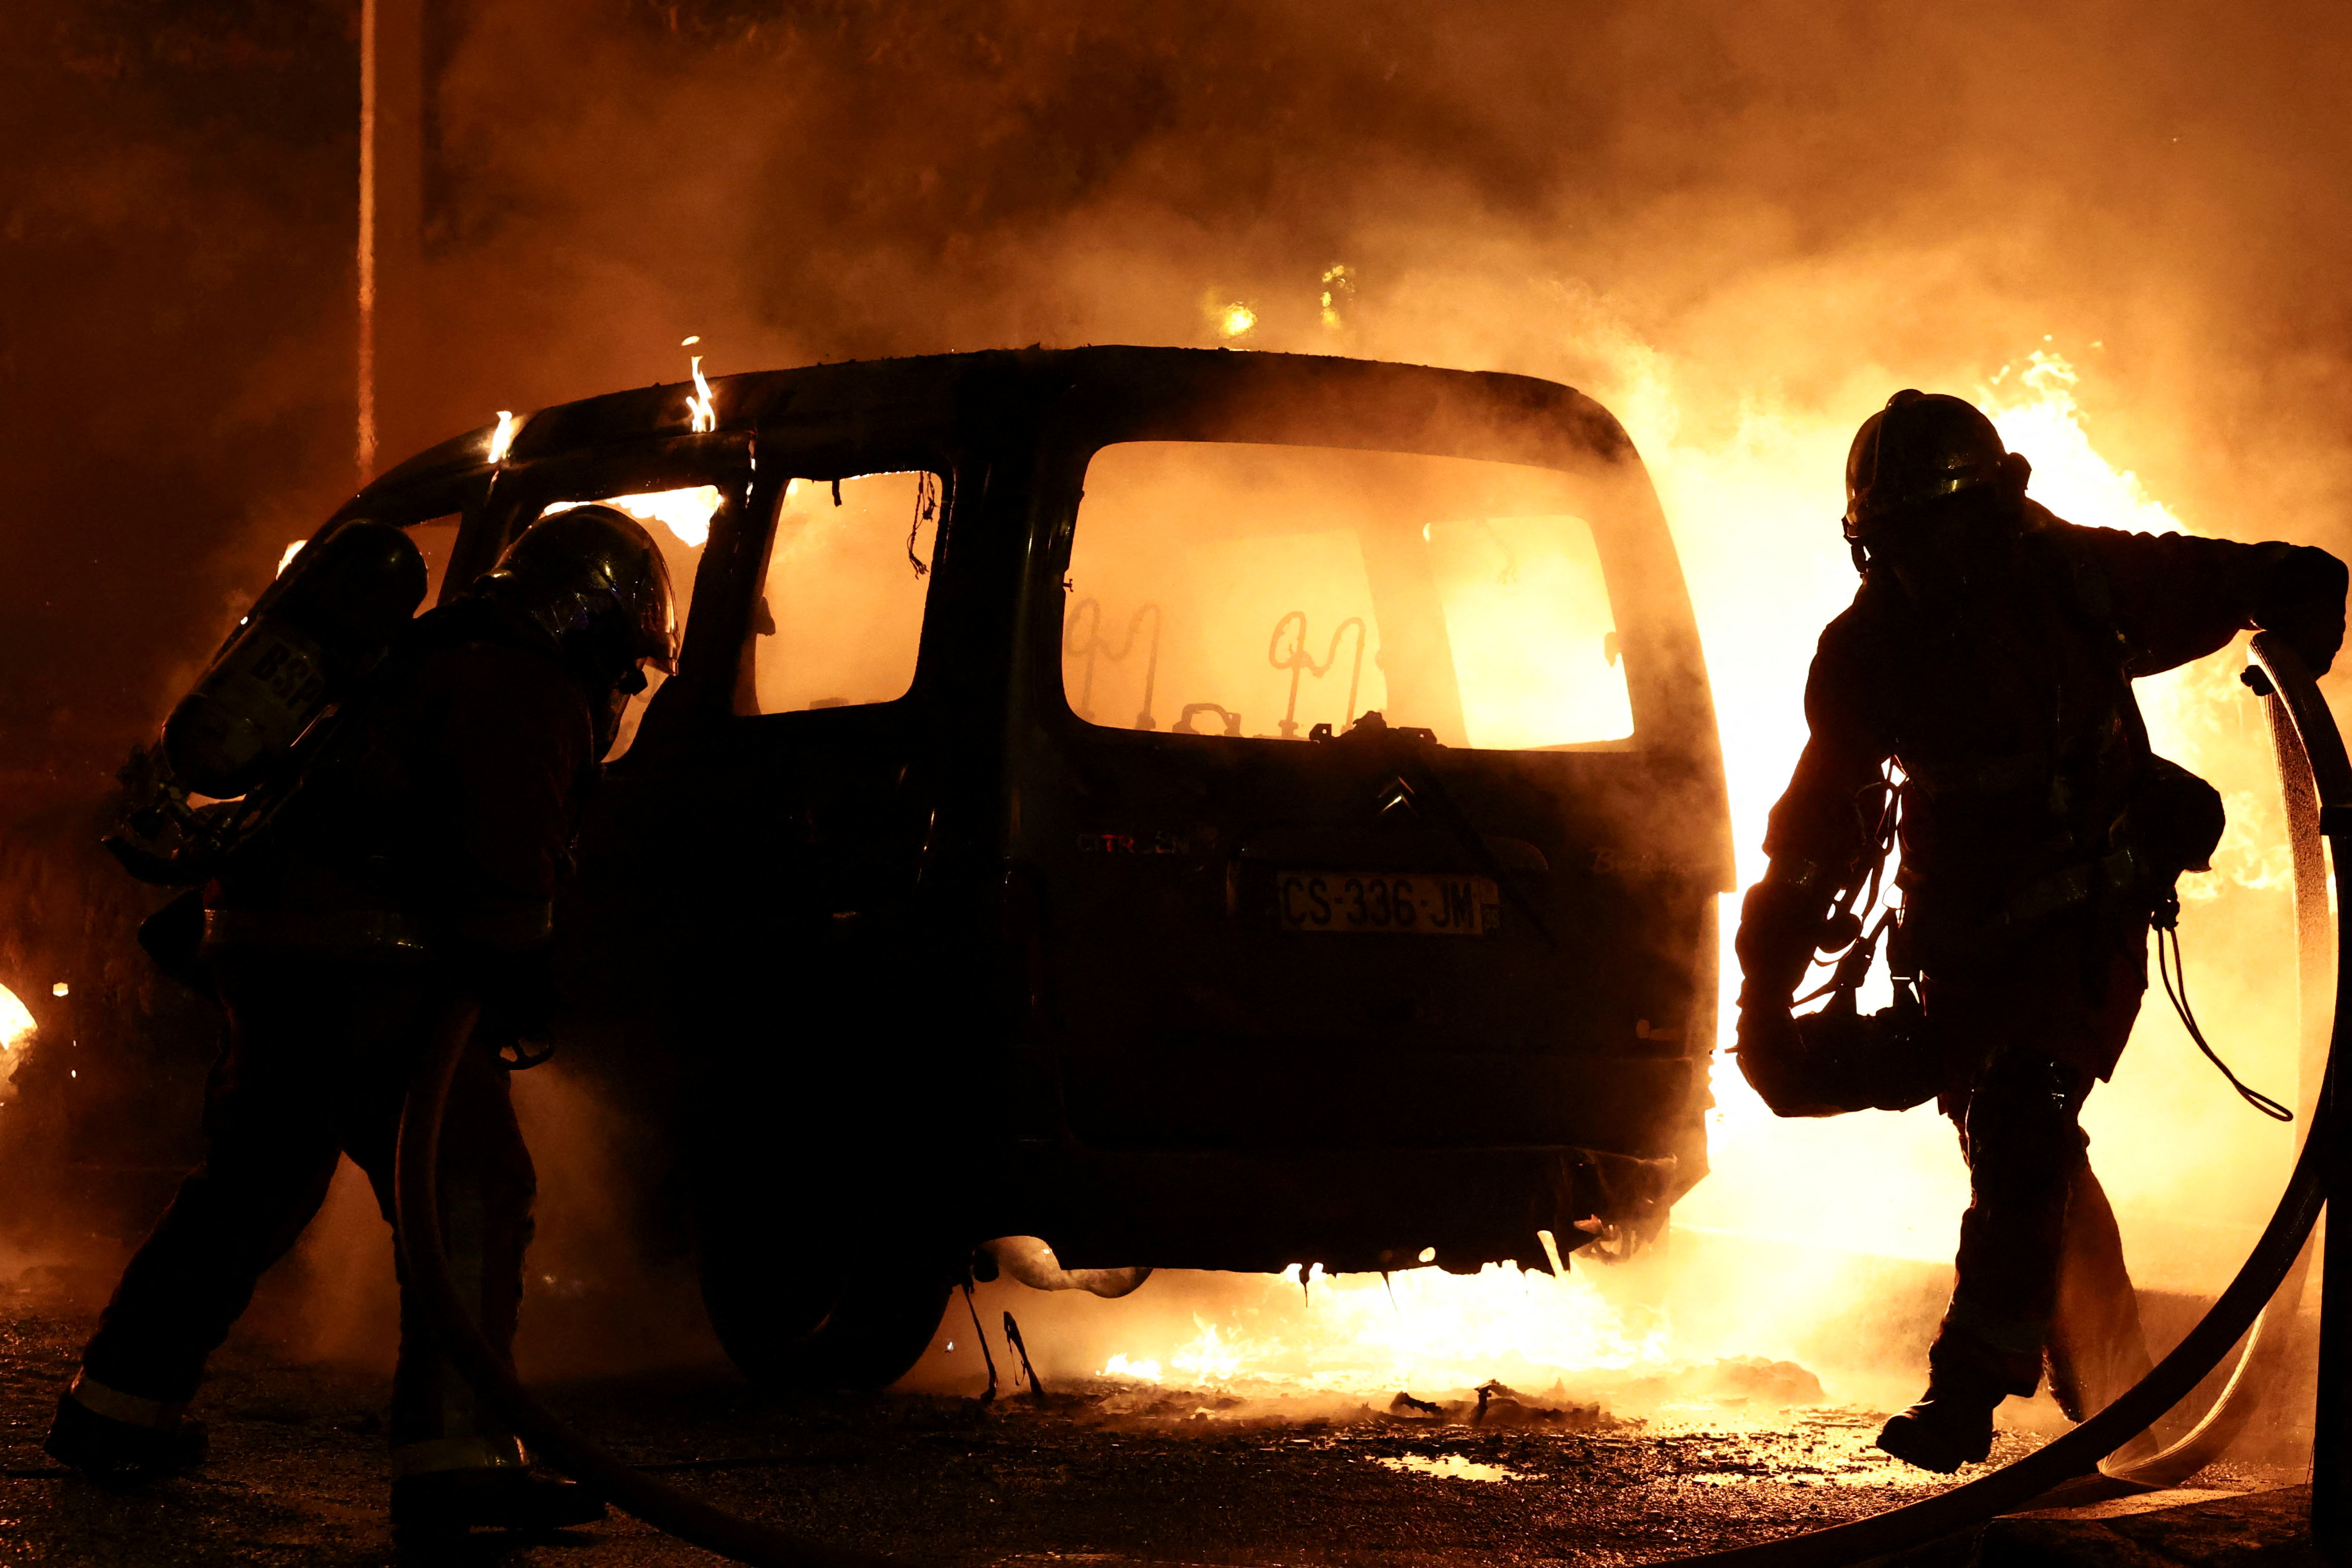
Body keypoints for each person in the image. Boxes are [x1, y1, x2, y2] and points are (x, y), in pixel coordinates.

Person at [1735, 390, 2346, 1474]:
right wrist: (1764, 1007)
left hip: (2082, 929)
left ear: (1996, 514)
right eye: (1895, 543)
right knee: (2034, 1157)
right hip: (1962, 950)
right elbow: (1814, 846)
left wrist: (2294, 649)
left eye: (1937, 534)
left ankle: (1968, 1390)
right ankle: (2122, 1410)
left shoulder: (2084, 582)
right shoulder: (1868, 651)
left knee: (2023, 1117)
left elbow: (2295, 574)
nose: (1921, 566)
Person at [45, 507, 676, 1541]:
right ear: (599, 617)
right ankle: (456, 1466)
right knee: (469, 1189)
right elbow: (506, 858)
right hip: (374, 968)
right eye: (630, 662)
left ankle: (114, 1405)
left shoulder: (417, 657)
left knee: (252, 1186)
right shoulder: (524, 685)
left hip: (265, 946)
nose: (626, 685)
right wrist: (522, 973)